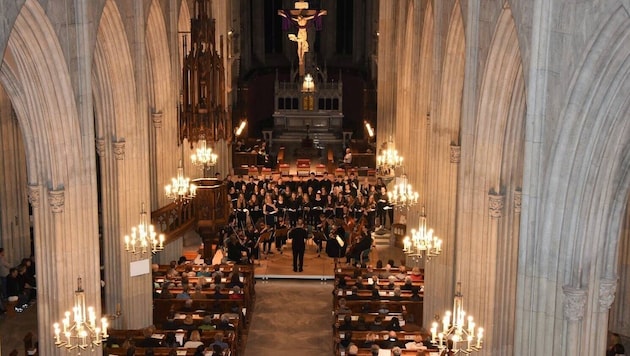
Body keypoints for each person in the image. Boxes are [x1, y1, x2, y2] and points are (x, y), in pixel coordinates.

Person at [277, 8, 328, 75]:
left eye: (299, 17)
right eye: (298, 18)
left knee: (303, 46)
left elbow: (313, 17)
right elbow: (290, 18)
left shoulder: (305, 19)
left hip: (304, 34)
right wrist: (282, 14)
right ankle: (300, 59)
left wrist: (320, 13)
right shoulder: (297, 20)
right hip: (299, 33)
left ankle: (302, 57)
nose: (298, 19)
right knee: (299, 46)